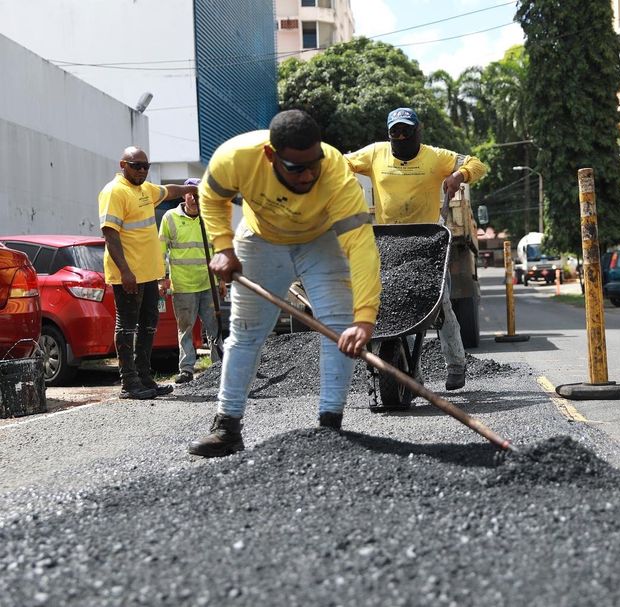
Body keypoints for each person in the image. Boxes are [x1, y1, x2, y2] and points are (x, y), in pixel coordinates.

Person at [188, 109, 381, 458]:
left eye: (314, 164)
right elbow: (211, 196)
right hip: (261, 241)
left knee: (337, 329)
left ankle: (330, 429)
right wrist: (223, 247)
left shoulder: (336, 172)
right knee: (245, 333)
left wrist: (364, 318)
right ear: (270, 156)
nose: (308, 175)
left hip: (319, 241)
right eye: (296, 168)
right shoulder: (236, 157)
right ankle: (227, 427)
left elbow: (361, 245)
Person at [345, 107, 487, 390]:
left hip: (428, 241)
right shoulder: (375, 153)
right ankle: (411, 373)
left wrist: (460, 175)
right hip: (390, 242)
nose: (401, 135)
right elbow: (340, 163)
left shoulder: (434, 157)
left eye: (406, 130)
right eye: (395, 131)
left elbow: (477, 164)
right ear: (389, 134)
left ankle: (456, 364)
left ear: (417, 131)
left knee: (441, 304)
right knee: (397, 308)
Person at [99, 147, 198, 399]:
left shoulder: (144, 190)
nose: (142, 170)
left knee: (148, 326)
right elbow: (110, 234)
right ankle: (129, 383)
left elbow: (170, 191)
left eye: (146, 166)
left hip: (149, 274)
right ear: (123, 164)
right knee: (127, 327)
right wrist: (125, 272)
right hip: (129, 275)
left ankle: (144, 378)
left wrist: (190, 190)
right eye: (136, 165)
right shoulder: (115, 191)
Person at [158, 178, 225, 384]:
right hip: (184, 285)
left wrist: (221, 280)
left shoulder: (209, 218)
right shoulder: (170, 218)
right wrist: (162, 278)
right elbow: (161, 251)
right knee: (185, 328)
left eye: (198, 194)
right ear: (183, 195)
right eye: (191, 193)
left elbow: (219, 250)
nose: (195, 198)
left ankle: (218, 366)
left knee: (214, 326)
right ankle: (187, 369)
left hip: (208, 284)